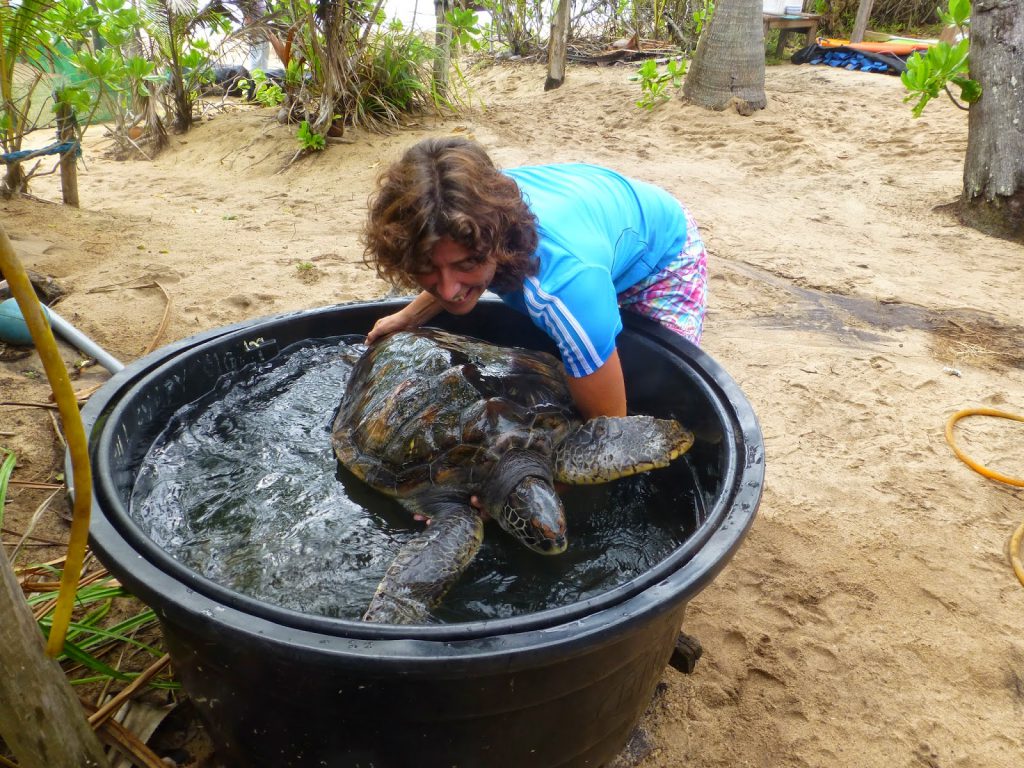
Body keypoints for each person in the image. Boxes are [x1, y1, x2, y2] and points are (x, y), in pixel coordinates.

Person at [362, 137, 708, 421]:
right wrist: (410, 316)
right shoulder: (460, 213)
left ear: (498, 243)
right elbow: (447, 263)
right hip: (593, 222)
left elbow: (610, 435)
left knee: (648, 392)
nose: (449, 289)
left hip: (662, 256)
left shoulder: (563, 286)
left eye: (467, 264)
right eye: (428, 268)